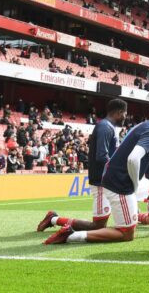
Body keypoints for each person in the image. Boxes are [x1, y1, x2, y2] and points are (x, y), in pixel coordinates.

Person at [43, 98, 149, 244]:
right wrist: (133, 185)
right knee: (126, 234)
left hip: (123, 176)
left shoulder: (143, 126)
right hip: (121, 183)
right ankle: (69, 235)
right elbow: (133, 159)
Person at [37, 99, 128, 232]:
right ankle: (53, 219)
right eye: (125, 113)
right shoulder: (105, 127)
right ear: (120, 112)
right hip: (101, 181)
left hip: (107, 181)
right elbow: (102, 156)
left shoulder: (109, 127)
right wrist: (118, 169)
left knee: (102, 224)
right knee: (98, 226)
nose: (126, 117)